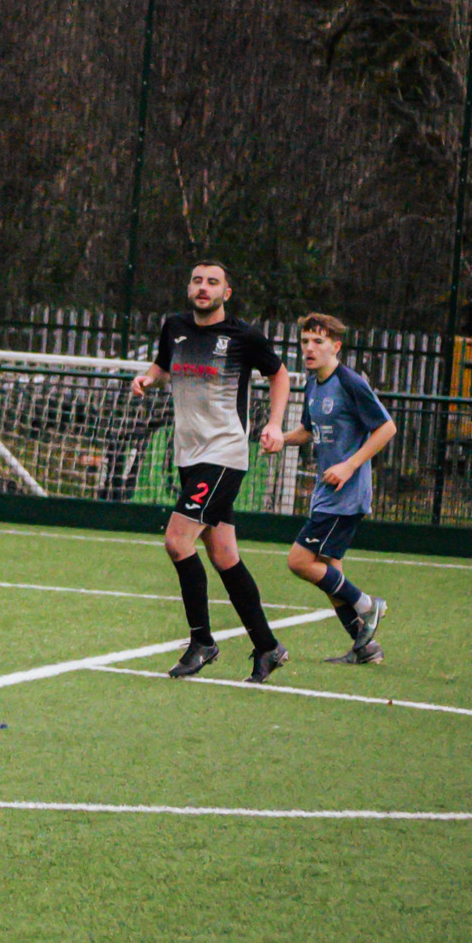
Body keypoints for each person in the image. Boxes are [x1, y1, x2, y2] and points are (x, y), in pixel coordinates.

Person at [129, 260, 294, 682]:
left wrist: (275, 424)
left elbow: (280, 375)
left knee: (176, 540)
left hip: (223, 454)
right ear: (189, 288)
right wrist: (147, 378)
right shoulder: (175, 327)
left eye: (213, 282)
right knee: (223, 555)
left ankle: (202, 641)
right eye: (198, 281)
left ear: (227, 292)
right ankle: (268, 647)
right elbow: (163, 366)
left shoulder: (243, 336)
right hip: (188, 455)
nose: (204, 288)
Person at [281, 313, 396, 663]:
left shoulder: (349, 382)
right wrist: (279, 439)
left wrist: (349, 465)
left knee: (300, 561)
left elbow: (386, 428)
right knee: (330, 572)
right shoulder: (312, 384)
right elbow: (307, 431)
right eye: (305, 341)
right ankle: (364, 647)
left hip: (345, 495)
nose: (309, 348)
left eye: (318, 341)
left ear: (336, 346)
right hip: (326, 492)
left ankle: (367, 604)